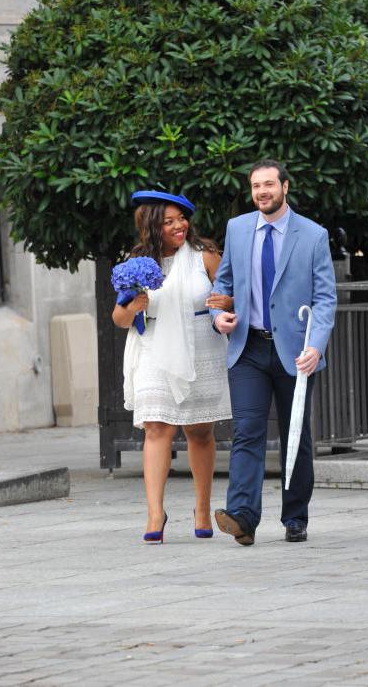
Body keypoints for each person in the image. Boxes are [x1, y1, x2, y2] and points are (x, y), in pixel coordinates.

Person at [210, 160, 337, 545]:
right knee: (247, 431)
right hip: (247, 347)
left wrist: (315, 346)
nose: (262, 192)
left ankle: (295, 515)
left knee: (295, 434)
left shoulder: (313, 235)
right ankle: (243, 517)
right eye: (255, 186)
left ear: (284, 186)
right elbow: (224, 279)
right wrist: (218, 315)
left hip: (296, 352)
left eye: (268, 184)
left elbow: (325, 298)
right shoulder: (237, 228)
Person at [112, 190, 232, 543]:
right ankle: (154, 514)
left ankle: (202, 507)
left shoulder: (204, 256)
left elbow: (230, 296)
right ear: (152, 226)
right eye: (169, 221)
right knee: (156, 428)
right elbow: (118, 318)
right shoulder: (135, 262)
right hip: (153, 348)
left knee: (199, 431)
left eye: (182, 218)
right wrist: (134, 304)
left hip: (201, 346)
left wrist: (227, 301)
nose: (179, 225)